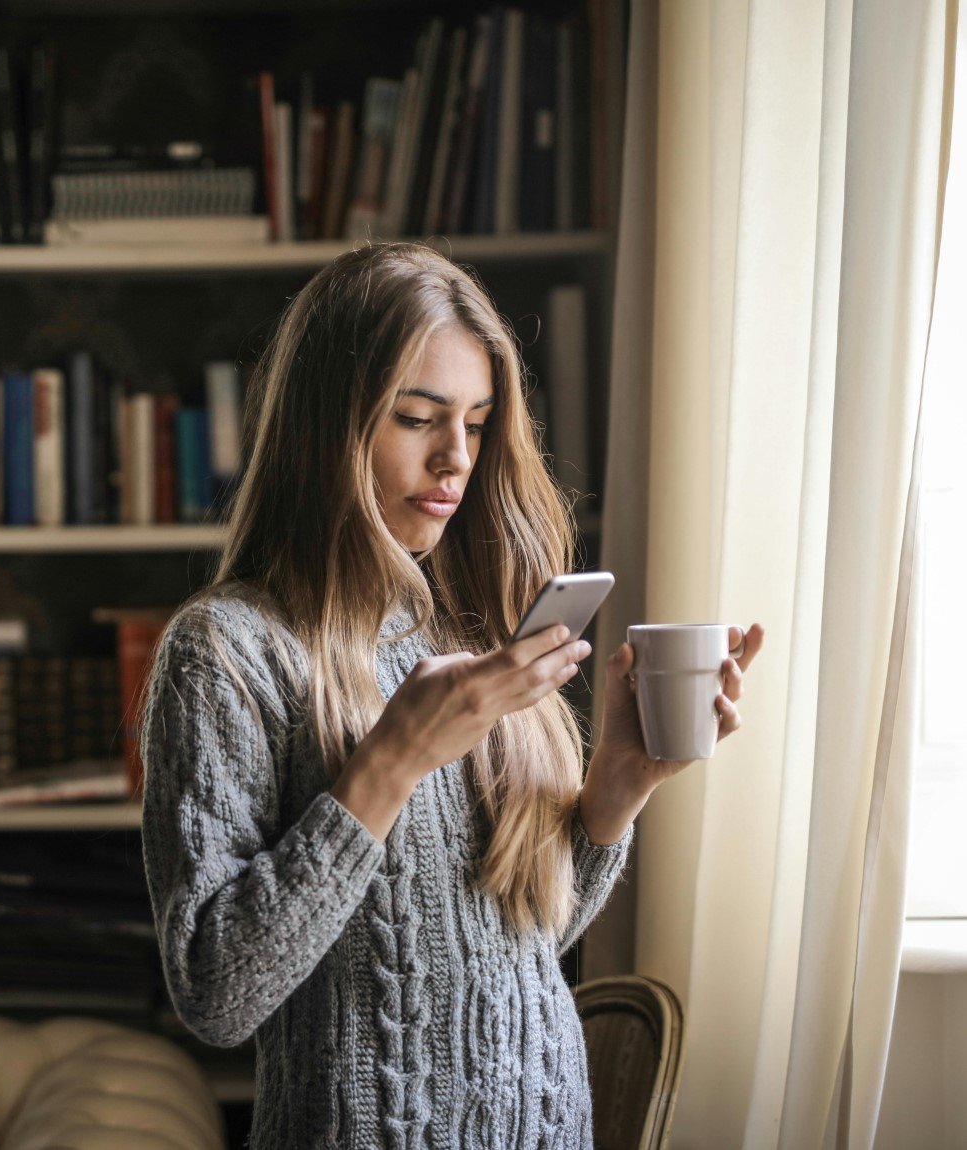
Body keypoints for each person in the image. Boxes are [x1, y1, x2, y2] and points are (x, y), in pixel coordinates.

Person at [138, 241, 764, 1149]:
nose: (454, 460)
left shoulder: (465, 630)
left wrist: (613, 796)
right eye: (417, 417)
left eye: (475, 423)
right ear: (328, 428)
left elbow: (515, 945)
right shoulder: (226, 653)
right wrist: (390, 764)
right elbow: (218, 992)